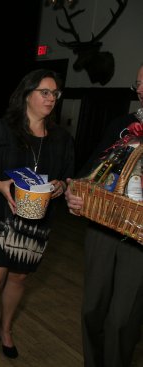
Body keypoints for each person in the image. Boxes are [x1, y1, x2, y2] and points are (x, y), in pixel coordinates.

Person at [0, 69, 75, 359]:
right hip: (0, 216)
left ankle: (5, 329)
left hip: (36, 222)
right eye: (45, 92)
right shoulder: (1, 129)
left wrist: (60, 185)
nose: (51, 98)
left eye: (55, 94)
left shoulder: (61, 139)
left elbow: (67, 175)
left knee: (18, 278)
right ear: (27, 94)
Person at [64, 63, 143, 367]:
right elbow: (93, 169)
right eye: (137, 83)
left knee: (122, 320)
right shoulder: (122, 125)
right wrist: (76, 190)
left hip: (138, 238)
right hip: (102, 224)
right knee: (91, 310)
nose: (140, 89)